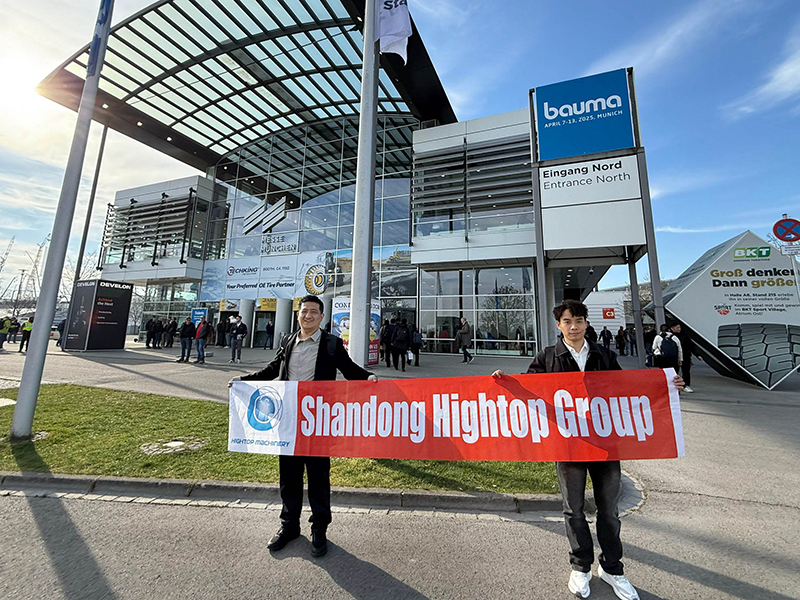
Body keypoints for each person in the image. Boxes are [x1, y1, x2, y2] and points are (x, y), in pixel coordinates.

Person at [491, 300, 684, 600]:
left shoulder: (604, 355)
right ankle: (580, 567)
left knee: (609, 511)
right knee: (574, 510)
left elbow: (627, 388)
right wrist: (506, 382)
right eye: (568, 321)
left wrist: (666, 384)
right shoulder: (547, 357)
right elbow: (529, 388)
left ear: (586, 323)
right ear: (559, 325)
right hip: (568, 445)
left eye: (579, 320)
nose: (574, 327)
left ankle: (612, 568)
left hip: (605, 445)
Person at [228, 295, 378, 558]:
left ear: (321, 317)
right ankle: (289, 526)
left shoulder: (331, 343)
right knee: (289, 477)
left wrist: (368, 377)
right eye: (304, 311)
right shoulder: (288, 340)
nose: (308, 315)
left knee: (318, 477)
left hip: (317, 422)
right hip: (287, 421)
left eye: (313, 312)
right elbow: (272, 369)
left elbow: (348, 369)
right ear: (298, 315)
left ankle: (319, 529)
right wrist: (243, 380)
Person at [671, 322, 694, 392]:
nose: (679, 329)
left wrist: (697, 354)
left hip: (685, 356)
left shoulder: (684, 336)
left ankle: (685, 385)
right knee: (674, 372)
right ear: (672, 328)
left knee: (686, 371)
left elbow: (691, 346)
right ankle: (674, 385)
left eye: (679, 327)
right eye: (677, 327)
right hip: (674, 357)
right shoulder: (670, 337)